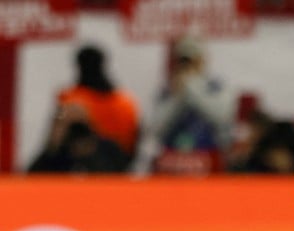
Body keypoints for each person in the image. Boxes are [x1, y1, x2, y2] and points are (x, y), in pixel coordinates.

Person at [147, 35, 234, 174]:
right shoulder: (168, 91)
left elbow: (222, 117)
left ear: (202, 60)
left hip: (206, 157)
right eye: (183, 61)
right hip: (172, 159)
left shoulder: (216, 88)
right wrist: (178, 97)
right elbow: (155, 129)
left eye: (192, 60)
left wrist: (192, 88)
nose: (188, 66)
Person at [55, 44, 139, 168]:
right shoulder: (126, 101)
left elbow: (57, 140)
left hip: (87, 168)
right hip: (123, 169)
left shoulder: (71, 99)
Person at [28, 102, 128, 174]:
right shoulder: (57, 152)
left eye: (79, 125)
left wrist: (91, 152)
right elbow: (33, 180)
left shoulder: (108, 148)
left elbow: (119, 179)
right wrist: (53, 145)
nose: (76, 132)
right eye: (72, 127)